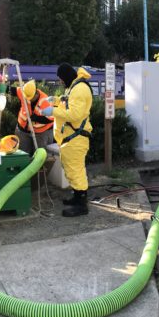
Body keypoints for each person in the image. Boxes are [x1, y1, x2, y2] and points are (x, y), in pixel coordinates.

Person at [47, 64, 93, 217]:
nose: (60, 82)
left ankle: (81, 205)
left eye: (61, 79)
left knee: (76, 171)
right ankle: (77, 197)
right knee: (73, 170)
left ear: (66, 76)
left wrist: (52, 111)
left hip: (76, 138)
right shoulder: (74, 87)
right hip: (72, 138)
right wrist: (56, 100)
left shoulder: (80, 89)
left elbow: (74, 114)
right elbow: (68, 102)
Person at [12, 80, 54, 155]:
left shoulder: (45, 101)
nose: (28, 99)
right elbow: (14, 90)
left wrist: (36, 118)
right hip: (23, 130)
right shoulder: (25, 92)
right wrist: (2, 88)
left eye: (30, 98)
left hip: (42, 133)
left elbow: (51, 119)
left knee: (40, 156)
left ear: (36, 93)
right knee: (22, 155)